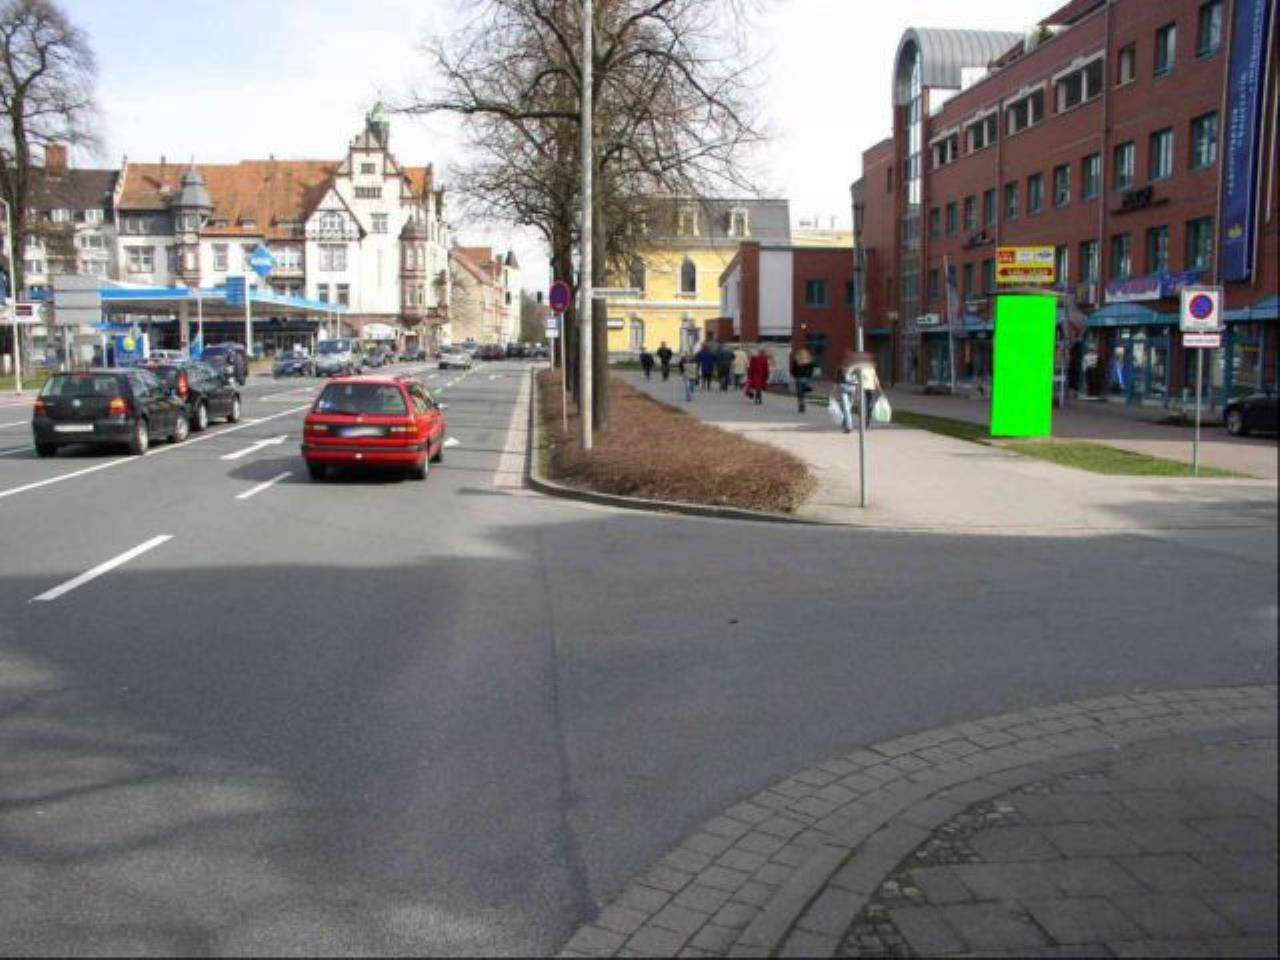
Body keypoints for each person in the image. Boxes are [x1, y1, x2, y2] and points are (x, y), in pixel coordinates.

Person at [834, 350, 859, 434]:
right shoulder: (840, 368)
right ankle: (849, 427)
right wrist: (834, 392)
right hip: (844, 389)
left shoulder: (855, 369)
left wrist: (858, 392)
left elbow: (858, 381)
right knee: (846, 408)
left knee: (847, 408)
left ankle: (845, 424)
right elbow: (837, 381)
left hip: (852, 389)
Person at [789, 346, 815, 413]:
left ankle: (801, 404)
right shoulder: (809, 360)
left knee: (800, 392)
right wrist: (809, 376)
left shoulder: (796, 360)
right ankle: (802, 403)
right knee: (803, 392)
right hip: (805, 378)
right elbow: (811, 369)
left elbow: (792, 370)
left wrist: (795, 375)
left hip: (799, 378)